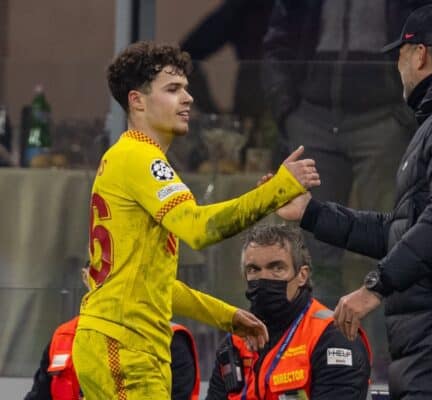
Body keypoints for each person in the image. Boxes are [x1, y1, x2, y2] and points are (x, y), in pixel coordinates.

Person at [276, 4, 432, 400]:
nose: (397, 67)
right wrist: (312, 212)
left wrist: (374, 287)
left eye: (399, 55)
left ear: (421, 54)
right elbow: (402, 231)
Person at [72, 41, 320, 399]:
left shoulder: (129, 156)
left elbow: (156, 285)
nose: (188, 98)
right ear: (137, 101)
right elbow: (199, 228)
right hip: (126, 344)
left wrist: (226, 316)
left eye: (186, 88)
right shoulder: (141, 157)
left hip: (118, 340)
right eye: (173, 89)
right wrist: (279, 188)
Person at [262, 0, 432, 307]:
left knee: (395, 238)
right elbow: (278, 37)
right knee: (313, 252)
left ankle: (386, 351)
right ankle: (319, 347)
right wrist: (287, 108)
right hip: (311, 114)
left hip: (384, 118)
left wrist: (408, 112)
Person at [206, 224, 371, 400]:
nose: (264, 278)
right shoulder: (234, 342)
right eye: (254, 269)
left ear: (302, 275)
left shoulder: (335, 336)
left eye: (277, 268)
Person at [25, 265, 201, 400]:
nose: (106, 279)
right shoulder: (63, 338)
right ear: (85, 276)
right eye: (98, 268)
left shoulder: (170, 340)